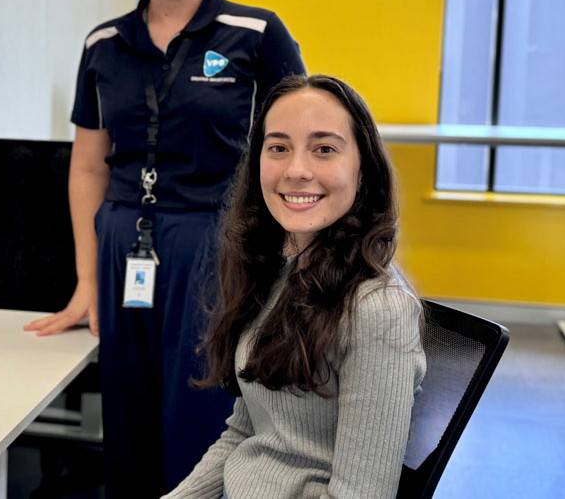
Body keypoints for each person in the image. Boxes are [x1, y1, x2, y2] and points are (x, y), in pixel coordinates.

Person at [24, 0, 306, 496]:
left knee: (201, 422)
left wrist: (288, 267)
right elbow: (89, 165)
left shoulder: (257, 35)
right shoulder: (103, 45)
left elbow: (299, 156)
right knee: (125, 420)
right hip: (126, 244)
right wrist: (87, 280)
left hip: (215, 245)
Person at [164, 74, 426, 499]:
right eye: (279, 148)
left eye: (324, 149)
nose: (297, 170)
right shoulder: (284, 271)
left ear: (364, 171)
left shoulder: (378, 311)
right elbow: (245, 433)